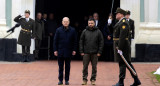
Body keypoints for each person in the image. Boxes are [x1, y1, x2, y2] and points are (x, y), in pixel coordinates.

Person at [112, 8, 141, 86]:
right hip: (120, 45)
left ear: (121, 14)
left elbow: (122, 37)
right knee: (127, 63)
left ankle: (121, 82)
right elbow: (114, 32)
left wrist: (120, 48)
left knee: (123, 63)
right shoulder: (120, 22)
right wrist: (109, 23)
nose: (116, 15)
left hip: (123, 46)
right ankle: (136, 80)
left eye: (117, 13)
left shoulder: (123, 23)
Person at [79, 18, 104, 85]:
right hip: (86, 52)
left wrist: (99, 52)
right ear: (88, 23)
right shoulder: (84, 31)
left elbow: (101, 42)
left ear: (94, 23)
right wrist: (81, 51)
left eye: (91, 23)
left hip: (95, 53)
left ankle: (93, 79)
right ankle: (84, 79)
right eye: (89, 23)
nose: (90, 24)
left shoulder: (98, 31)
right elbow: (81, 41)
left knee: (94, 68)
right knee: (85, 67)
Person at [54, 17, 77, 85]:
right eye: (64, 21)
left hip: (69, 51)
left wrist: (74, 50)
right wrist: (55, 50)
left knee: (67, 67)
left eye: (67, 21)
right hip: (60, 51)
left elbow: (75, 41)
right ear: (62, 22)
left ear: (69, 22)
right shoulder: (58, 30)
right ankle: (60, 80)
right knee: (60, 67)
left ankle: (67, 80)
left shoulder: (73, 30)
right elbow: (55, 41)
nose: (65, 23)